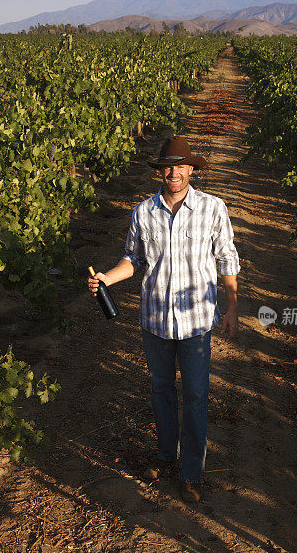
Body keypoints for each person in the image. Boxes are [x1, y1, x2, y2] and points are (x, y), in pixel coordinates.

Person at [88, 135, 240, 503]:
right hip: (155, 318)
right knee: (160, 391)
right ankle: (164, 455)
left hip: (196, 320)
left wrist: (232, 304)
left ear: (191, 169)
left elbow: (227, 259)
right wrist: (107, 277)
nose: (173, 172)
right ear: (161, 171)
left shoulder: (213, 208)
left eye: (180, 166)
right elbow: (133, 260)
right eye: (167, 166)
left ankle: (192, 471)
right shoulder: (143, 212)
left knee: (196, 395)